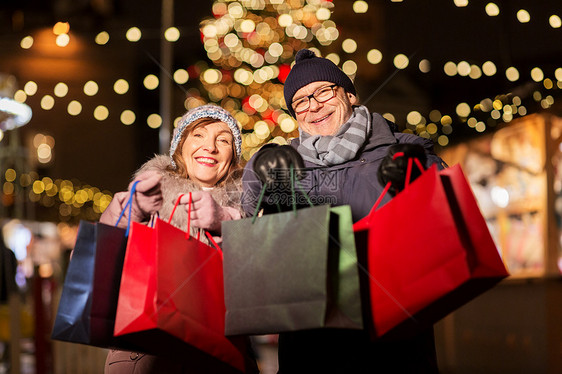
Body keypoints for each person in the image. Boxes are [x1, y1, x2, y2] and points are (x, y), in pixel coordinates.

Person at [241, 49, 447, 372]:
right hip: (312, 349)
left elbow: (447, 216)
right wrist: (257, 177)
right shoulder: (287, 166)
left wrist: (422, 175)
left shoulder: (401, 150)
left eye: (323, 91)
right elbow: (252, 233)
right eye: (301, 101)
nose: (314, 106)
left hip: (394, 344)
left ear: (350, 94)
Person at [99, 104, 257, 374]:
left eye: (223, 140)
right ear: (180, 145)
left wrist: (225, 223)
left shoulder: (248, 208)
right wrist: (129, 214)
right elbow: (95, 266)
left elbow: (264, 279)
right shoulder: (148, 195)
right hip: (145, 355)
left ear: (233, 157)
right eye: (199, 135)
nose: (210, 147)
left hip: (218, 354)